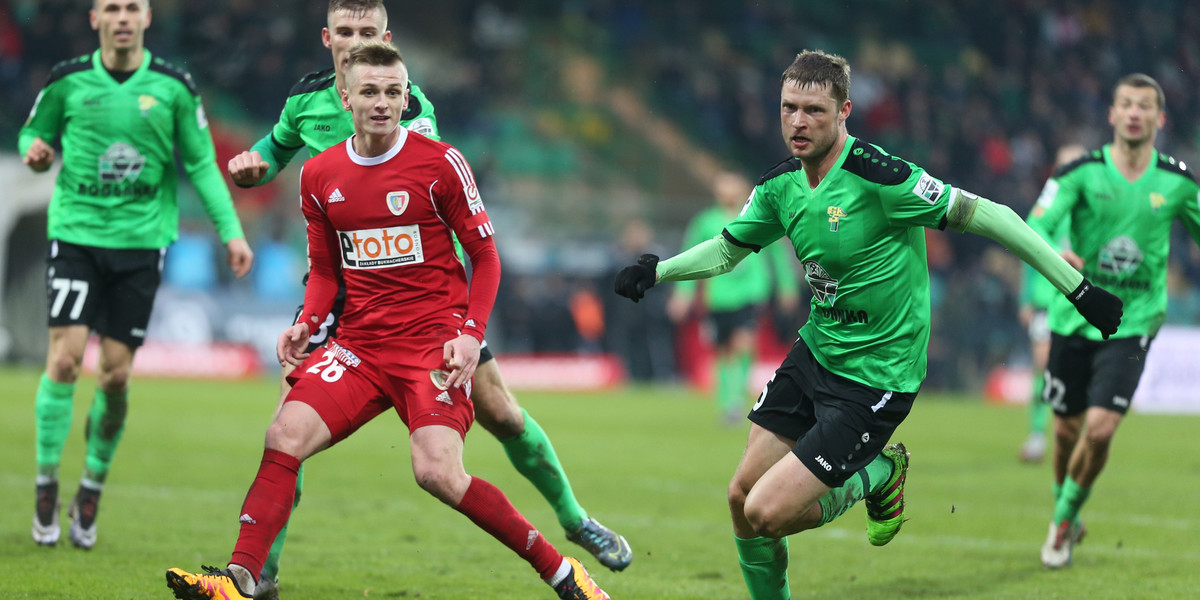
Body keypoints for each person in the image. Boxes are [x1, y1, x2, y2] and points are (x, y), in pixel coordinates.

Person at [613, 50, 1122, 599]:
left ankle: (878, 474)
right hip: (817, 353)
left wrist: (1078, 290)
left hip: (877, 376)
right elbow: (728, 250)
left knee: (767, 511)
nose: (799, 122)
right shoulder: (779, 187)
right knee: (741, 498)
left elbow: (991, 215)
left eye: (814, 109)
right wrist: (659, 270)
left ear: (844, 112)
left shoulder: (884, 179)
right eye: (789, 108)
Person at [165, 41, 610, 600]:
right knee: (283, 434)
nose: (382, 103)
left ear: (407, 99)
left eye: (393, 92)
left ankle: (564, 573)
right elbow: (327, 270)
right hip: (361, 345)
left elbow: (488, 258)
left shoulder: (440, 163)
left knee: (438, 474)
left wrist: (470, 336)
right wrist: (306, 321)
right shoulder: (319, 174)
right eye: (370, 92)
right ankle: (240, 580)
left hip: (431, 345)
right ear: (346, 98)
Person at [20, 0, 254, 550]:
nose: (122, 17)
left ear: (147, 18)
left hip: (141, 245)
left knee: (117, 376)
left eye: (132, 8)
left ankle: (93, 485)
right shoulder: (68, 81)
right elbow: (37, 136)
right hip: (77, 236)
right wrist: (34, 153)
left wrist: (231, 231)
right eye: (112, 8)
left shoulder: (173, 86)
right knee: (65, 358)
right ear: (94, 18)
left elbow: (199, 162)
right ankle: (47, 484)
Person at [1029, 73, 1200, 569]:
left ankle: (1063, 519)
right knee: (1065, 433)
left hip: (1134, 321)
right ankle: (1067, 505)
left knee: (1100, 431)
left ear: (1159, 118)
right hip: (1073, 317)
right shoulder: (1080, 173)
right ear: (1111, 113)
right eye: (1125, 104)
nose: (1133, 113)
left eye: (1144, 106)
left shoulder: (1177, 182)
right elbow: (1036, 222)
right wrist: (1056, 251)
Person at [667, 171, 799, 425]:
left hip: (750, 293)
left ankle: (737, 400)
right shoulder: (705, 222)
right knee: (723, 350)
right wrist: (683, 294)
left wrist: (787, 286)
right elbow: (691, 257)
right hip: (718, 297)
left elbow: (778, 256)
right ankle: (726, 402)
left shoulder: (757, 216)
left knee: (743, 343)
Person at [1017, 144, 1086, 464]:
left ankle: (1073, 433)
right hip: (1047, 301)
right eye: (1064, 165)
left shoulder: (1091, 209)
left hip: (1081, 303)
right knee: (1043, 366)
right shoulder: (1046, 210)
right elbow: (1027, 252)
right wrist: (1025, 298)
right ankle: (1036, 435)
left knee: (1076, 371)